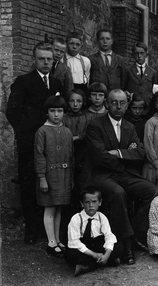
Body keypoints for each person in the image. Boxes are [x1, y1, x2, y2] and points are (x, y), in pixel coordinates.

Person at [80, 89, 157, 265]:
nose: (118, 106)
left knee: (152, 191)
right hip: (101, 175)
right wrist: (125, 156)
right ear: (107, 104)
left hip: (124, 175)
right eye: (114, 102)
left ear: (127, 105)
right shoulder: (95, 125)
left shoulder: (129, 127)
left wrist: (118, 153)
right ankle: (126, 243)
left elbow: (140, 152)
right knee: (118, 193)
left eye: (122, 103)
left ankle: (136, 232)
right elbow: (99, 157)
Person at [6, 42, 64, 244]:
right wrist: (26, 133)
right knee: (30, 182)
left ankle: (46, 228)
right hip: (30, 141)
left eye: (49, 59)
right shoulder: (23, 82)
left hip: (52, 144)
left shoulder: (57, 84)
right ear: (35, 59)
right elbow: (12, 112)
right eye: (42, 58)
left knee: (48, 183)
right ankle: (32, 229)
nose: (46, 62)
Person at [34, 95, 74, 258]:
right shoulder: (42, 131)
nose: (56, 115)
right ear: (47, 113)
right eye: (52, 111)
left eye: (59, 111)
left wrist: (70, 178)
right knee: (50, 208)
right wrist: (42, 177)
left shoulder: (67, 131)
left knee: (59, 208)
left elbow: (71, 156)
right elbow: (39, 155)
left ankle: (57, 239)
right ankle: (51, 242)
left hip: (64, 175)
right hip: (49, 175)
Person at [65, 187, 123, 276]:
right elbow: (74, 242)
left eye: (94, 201)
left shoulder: (101, 217)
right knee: (70, 254)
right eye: (87, 202)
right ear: (82, 204)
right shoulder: (76, 218)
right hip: (84, 247)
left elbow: (109, 236)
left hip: (97, 244)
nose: (91, 205)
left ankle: (88, 266)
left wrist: (107, 254)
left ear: (100, 202)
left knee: (118, 246)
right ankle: (109, 262)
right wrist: (94, 255)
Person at [63, 89, 95, 210]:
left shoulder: (89, 117)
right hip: (67, 154)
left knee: (83, 183)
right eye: (72, 101)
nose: (75, 104)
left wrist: (78, 137)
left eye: (79, 101)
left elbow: (92, 133)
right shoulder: (64, 118)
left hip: (84, 154)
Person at [125, 42, 157, 114]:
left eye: (142, 53)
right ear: (133, 55)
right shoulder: (128, 70)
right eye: (136, 53)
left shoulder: (152, 72)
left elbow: (155, 91)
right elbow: (124, 88)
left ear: (146, 54)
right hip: (132, 107)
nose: (139, 56)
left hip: (147, 107)